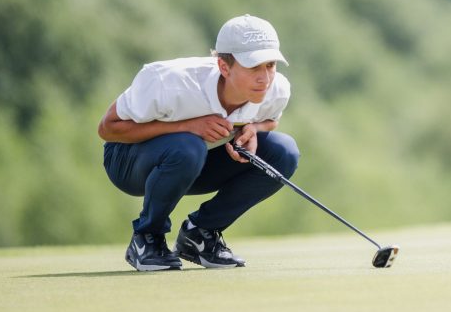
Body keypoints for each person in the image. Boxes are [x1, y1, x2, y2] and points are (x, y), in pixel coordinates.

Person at [97, 14, 300, 271]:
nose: (265, 78)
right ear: (224, 67)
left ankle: (200, 235)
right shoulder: (168, 81)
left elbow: (270, 120)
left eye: (270, 65)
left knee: (284, 152)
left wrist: (251, 128)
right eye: (253, 67)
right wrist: (187, 126)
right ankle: (147, 239)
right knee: (187, 145)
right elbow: (108, 128)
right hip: (128, 161)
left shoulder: (276, 89)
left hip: (194, 160)